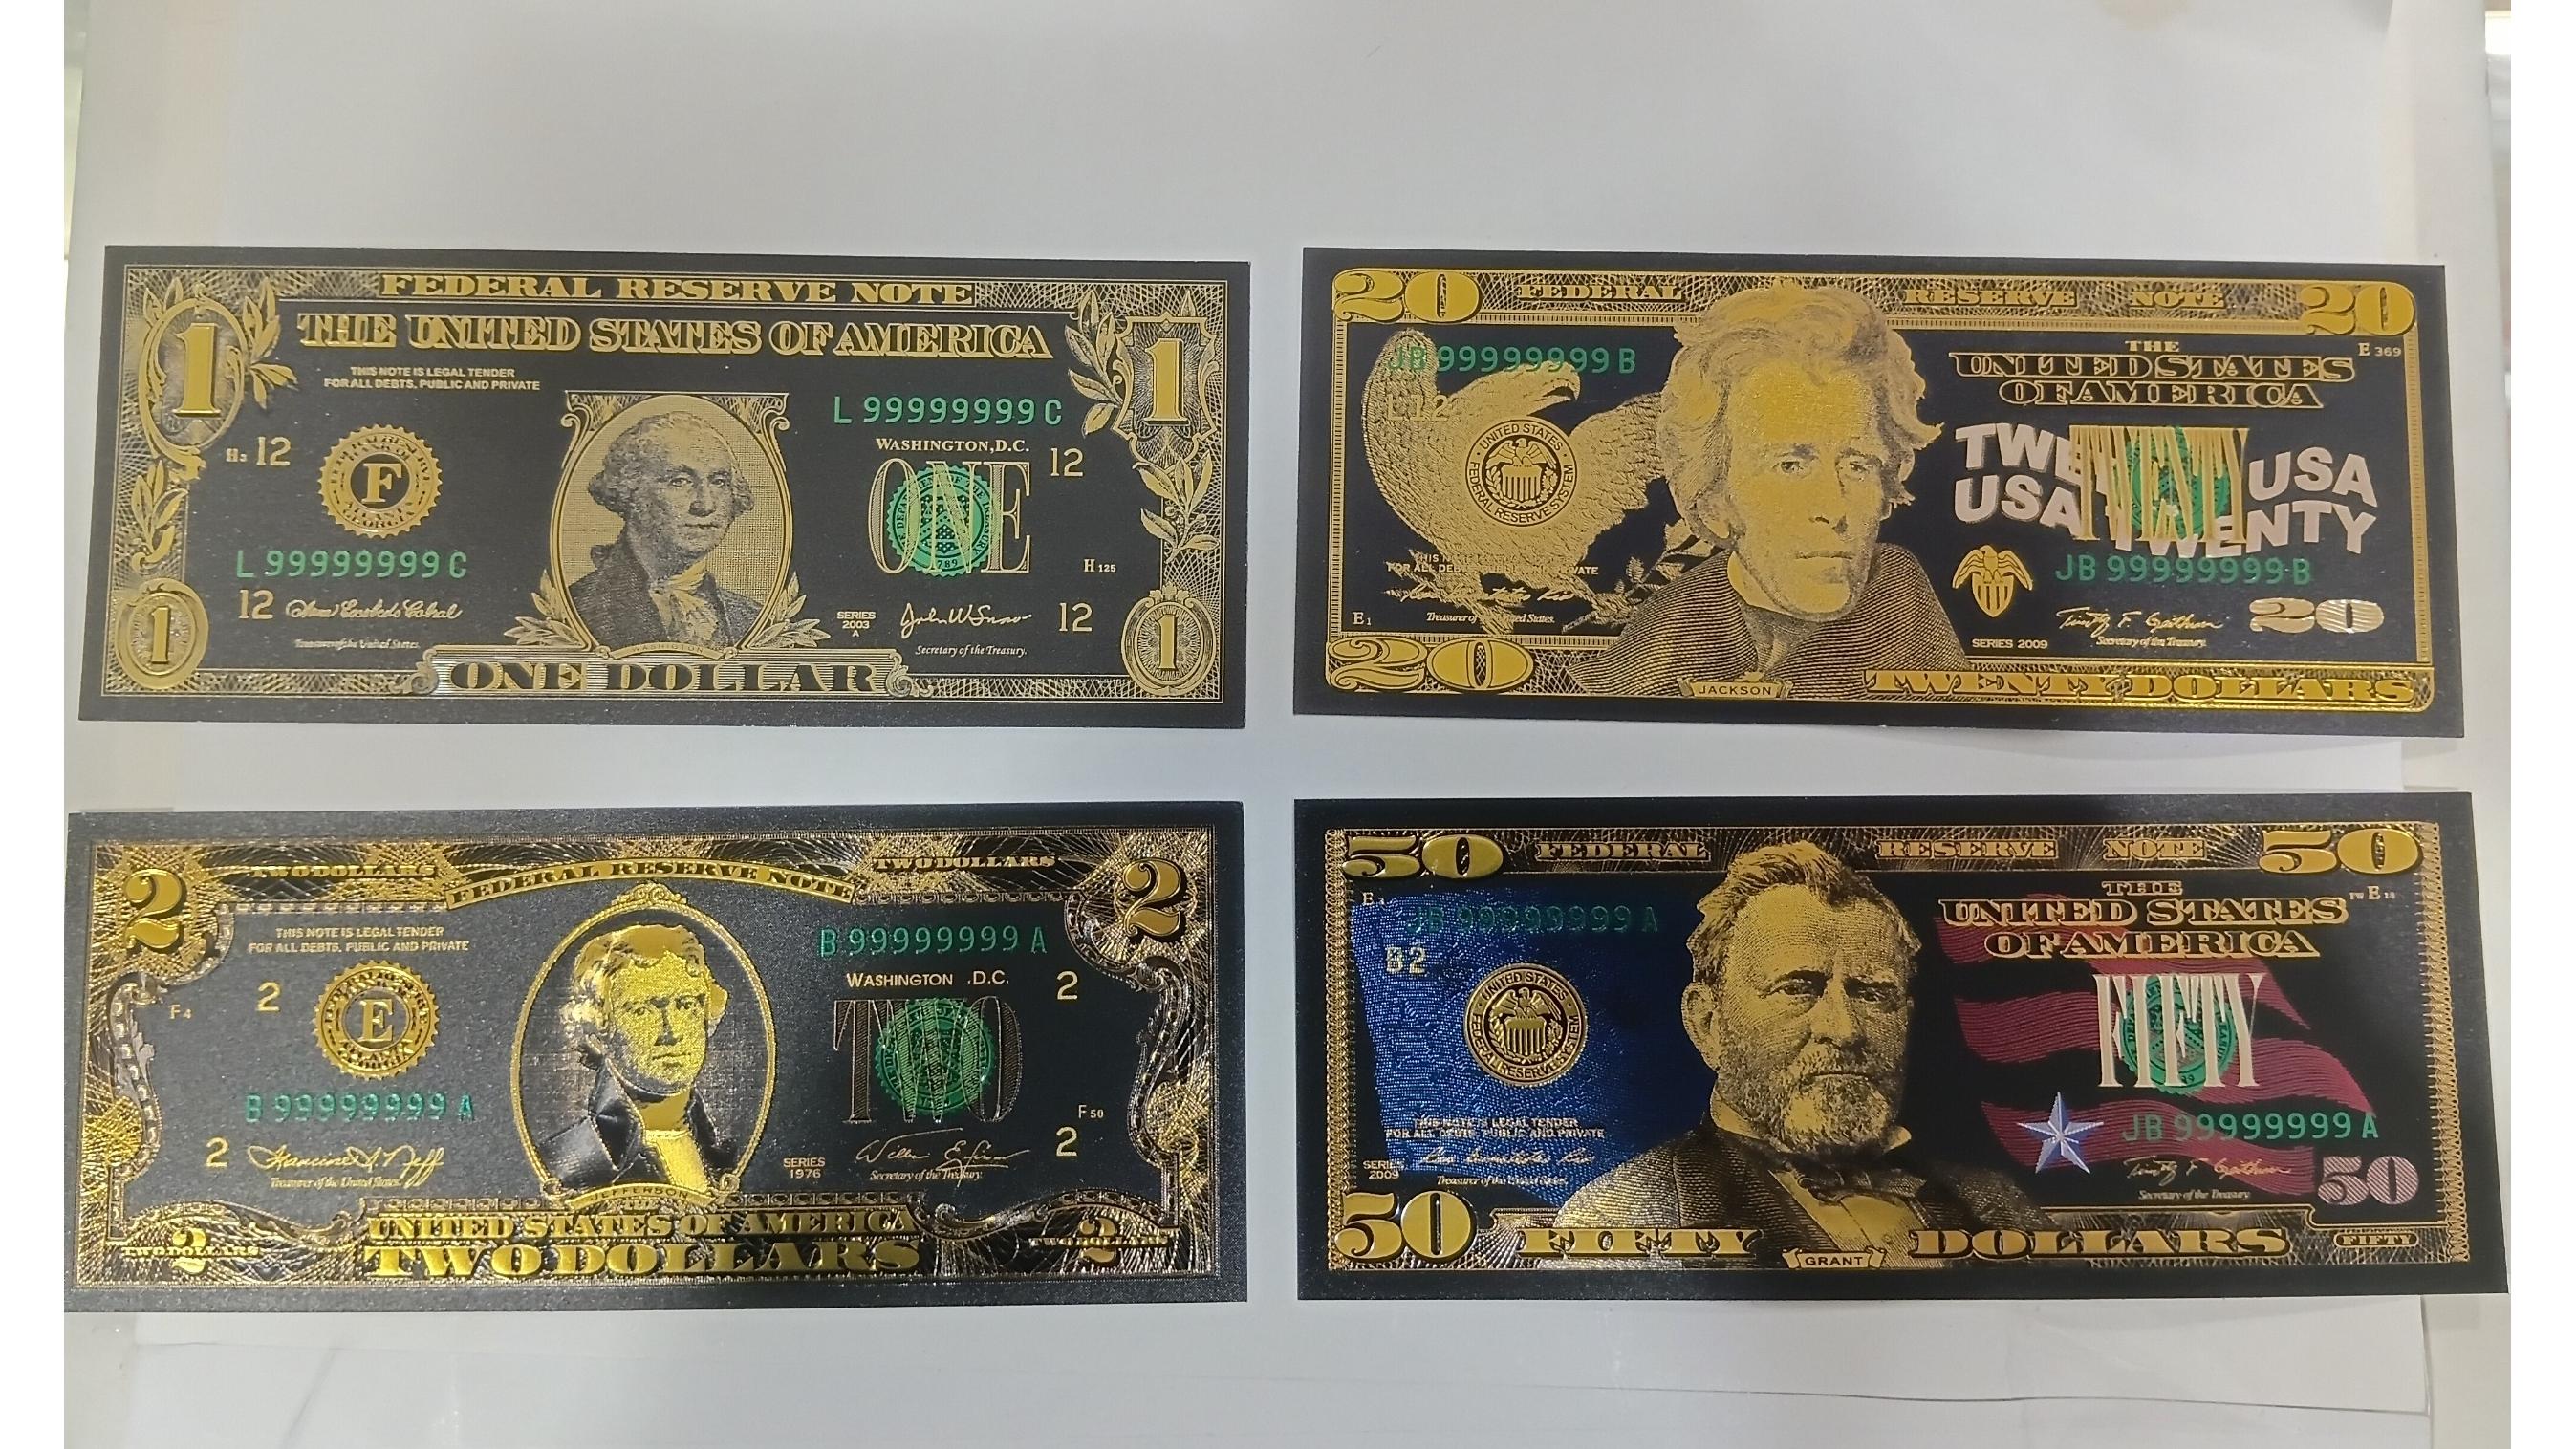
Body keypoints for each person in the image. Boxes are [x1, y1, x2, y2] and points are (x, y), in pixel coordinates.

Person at [1557, 842, 2042, 1260]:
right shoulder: (1620, 1210)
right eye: (1797, 988)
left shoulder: (1995, 1205)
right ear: (1708, 1023)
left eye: (1872, 994)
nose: (1844, 1029)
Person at [1570, 283, 1966, 698]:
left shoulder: (1901, 601)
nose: (1834, 509)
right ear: (1714, 503)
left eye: (1857, 465)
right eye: (1790, 466)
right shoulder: (1661, 649)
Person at [537, 922, 739, 1194]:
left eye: (686, 1005)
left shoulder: (723, 1153)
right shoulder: (567, 1165)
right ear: (598, 1032)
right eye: (642, 1011)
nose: (671, 1032)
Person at [567, 410, 765, 650]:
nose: (705, 505)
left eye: (719, 482)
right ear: (629, 490)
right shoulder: (576, 609)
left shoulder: (752, 618)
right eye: (679, 481)